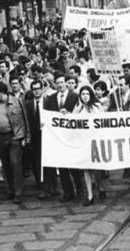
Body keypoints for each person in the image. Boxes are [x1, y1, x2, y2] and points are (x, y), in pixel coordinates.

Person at [0, 81, 30, 204]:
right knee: (6, 165)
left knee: (15, 163)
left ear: (1, 92)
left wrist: (25, 137)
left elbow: (25, 119)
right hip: (0, 138)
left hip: (15, 137)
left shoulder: (17, 101)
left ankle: (18, 193)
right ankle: (11, 189)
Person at [45, 72, 82, 201]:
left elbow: (80, 116)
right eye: (58, 83)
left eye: (62, 82)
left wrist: (69, 114)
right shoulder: (51, 98)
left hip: (72, 136)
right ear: (55, 84)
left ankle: (80, 189)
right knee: (62, 166)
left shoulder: (75, 96)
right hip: (58, 137)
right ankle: (68, 192)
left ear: (66, 83)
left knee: (74, 166)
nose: (60, 85)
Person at [73, 85, 104, 206]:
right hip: (83, 141)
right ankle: (90, 195)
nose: (85, 96)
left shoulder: (96, 107)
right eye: (82, 94)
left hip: (95, 140)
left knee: (96, 169)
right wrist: (78, 108)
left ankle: (100, 186)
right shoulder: (78, 107)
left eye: (87, 94)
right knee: (85, 169)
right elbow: (71, 120)